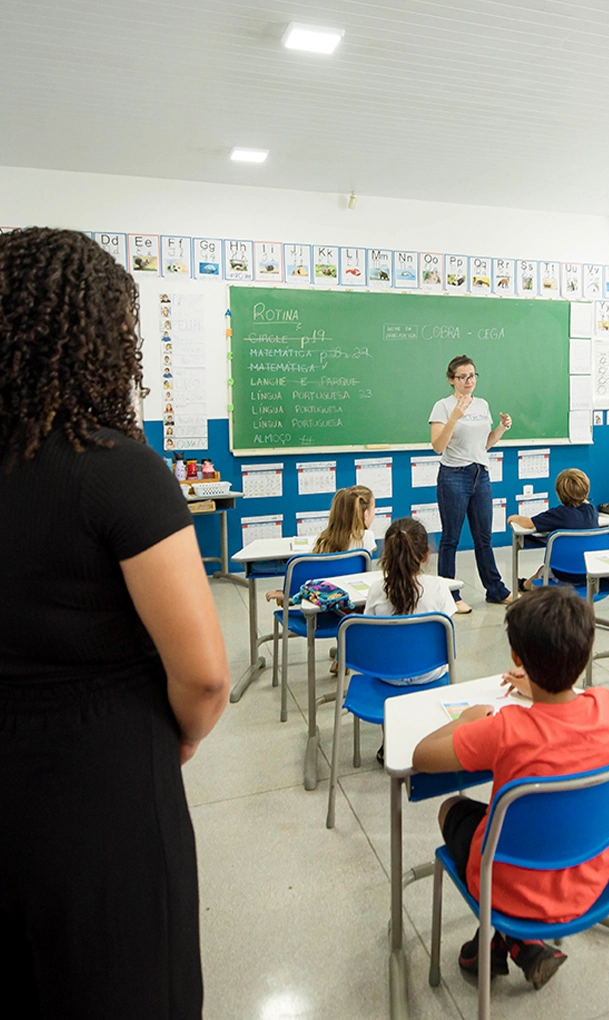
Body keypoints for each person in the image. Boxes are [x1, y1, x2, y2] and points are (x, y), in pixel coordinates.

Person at [0, 227, 230, 1017]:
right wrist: (181, 734)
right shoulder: (117, 468)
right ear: (101, 336)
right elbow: (202, 672)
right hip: (101, 778)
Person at [412, 587, 609, 991]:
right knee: (536, 824)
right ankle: (521, 946)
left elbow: (421, 756)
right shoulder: (606, 706)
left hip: (508, 886)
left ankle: (507, 938)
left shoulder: (504, 729)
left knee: (451, 808)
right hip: (590, 873)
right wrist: (541, 688)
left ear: (517, 658)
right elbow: (573, 700)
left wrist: (468, 719)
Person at [363, 517, 457, 762]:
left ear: (387, 554)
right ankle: (425, 736)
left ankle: (389, 743)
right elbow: (448, 637)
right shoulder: (438, 588)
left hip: (387, 674)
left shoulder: (375, 590)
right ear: (426, 555)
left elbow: (370, 637)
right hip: (430, 674)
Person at [429, 355, 512, 612]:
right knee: (451, 538)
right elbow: (437, 447)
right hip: (453, 475)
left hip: (481, 475)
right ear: (451, 379)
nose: (469, 381)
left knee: (483, 538)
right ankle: (450, 596)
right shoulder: (442, 406)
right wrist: (454, 416)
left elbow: (484, 444)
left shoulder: (482, 404)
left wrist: (501, 428)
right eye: (463, 377)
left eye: (473, 375)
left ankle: (495, 590)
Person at [264, 484, 376, 610]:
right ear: (366, 514)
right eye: (373, 509)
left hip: (323, 607)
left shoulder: (324, 540)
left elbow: (312, 581)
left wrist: (287, 595)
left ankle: (290, 598)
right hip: (353, 608)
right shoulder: (367, 538)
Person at [508, 467, 598, 590]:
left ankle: (524, 587)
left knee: (542, 570)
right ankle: (525, 586)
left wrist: (514, 518)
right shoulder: (592, 511)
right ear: (586, 492)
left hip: (564, 575)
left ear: (559, 494)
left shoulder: (560, 514)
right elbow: (584, 503)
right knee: (545, 570)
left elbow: (529, 523)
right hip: (590, 573)